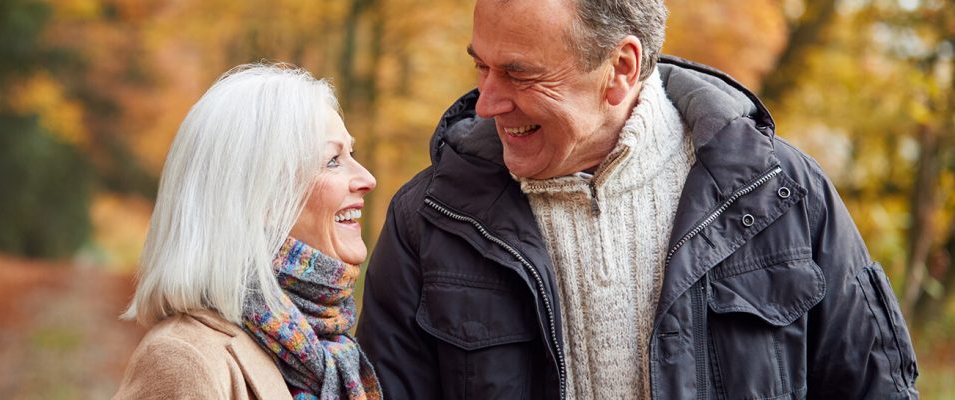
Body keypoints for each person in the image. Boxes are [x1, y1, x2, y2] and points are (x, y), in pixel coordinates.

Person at [355, 0, 919, 399]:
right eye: (481, 66)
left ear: (620, 68)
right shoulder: (428, 222)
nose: (486, 103)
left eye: (518, 74)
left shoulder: (783, 196)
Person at [114, 64, 381, 400]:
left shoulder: (332, 355)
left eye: (351, 154)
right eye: (332, 160)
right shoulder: (183, 361)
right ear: (263, 197)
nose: (367, 179)